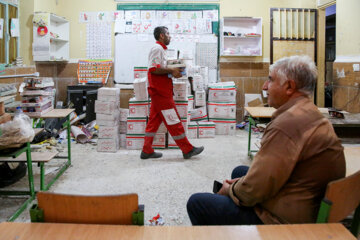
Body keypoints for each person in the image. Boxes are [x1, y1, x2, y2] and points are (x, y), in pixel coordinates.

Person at [187, 55, 346, 225]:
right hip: (308, 200)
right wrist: (240, 185)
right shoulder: (310, 112)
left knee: (197, 203)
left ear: (289, 87)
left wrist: (230, 190)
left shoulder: (286, 125)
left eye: (270, 80)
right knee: (240, 172)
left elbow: (254, 190)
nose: (264, 87)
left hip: (289, 218)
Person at [140, 26, 204, 160]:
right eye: (168, 34)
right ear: (162, 35)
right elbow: (153, 69)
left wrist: (173, 70)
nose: (170, 36)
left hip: (160, 90)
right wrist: (171, 70)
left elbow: (160, 68)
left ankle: (146, 150)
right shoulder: (157, 49)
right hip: (160, 92)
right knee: (173, 120)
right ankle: (187, 149)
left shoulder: (162, 50)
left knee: (153, 121)